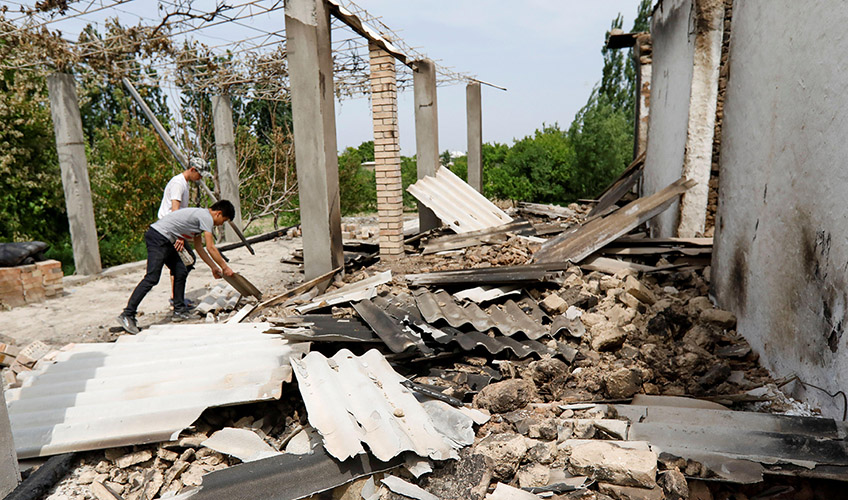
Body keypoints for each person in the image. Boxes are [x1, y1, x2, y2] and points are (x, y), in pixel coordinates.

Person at [117, 200, 236, 334]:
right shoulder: (206, 217)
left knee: (180, 271)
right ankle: (127, 314)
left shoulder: (201, 217)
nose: (221, 224)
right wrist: (225, 267)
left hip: (166, 239)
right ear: (218, 213)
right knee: (152, 278)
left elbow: (199, 248)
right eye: (223, 220)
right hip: (158, 237)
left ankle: (179, 311)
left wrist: (213, 267)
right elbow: (211, 247)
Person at [158, 157, 206, 309]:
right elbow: (175, 210)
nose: (200, 178)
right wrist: (179, 235)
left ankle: (176, 298)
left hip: (172, 229)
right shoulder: (178, 183)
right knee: (186, 261)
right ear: (192, 170)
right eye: (199, 174)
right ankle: (176, 299)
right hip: (170, 230)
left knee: (182, 263)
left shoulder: (183, 183)